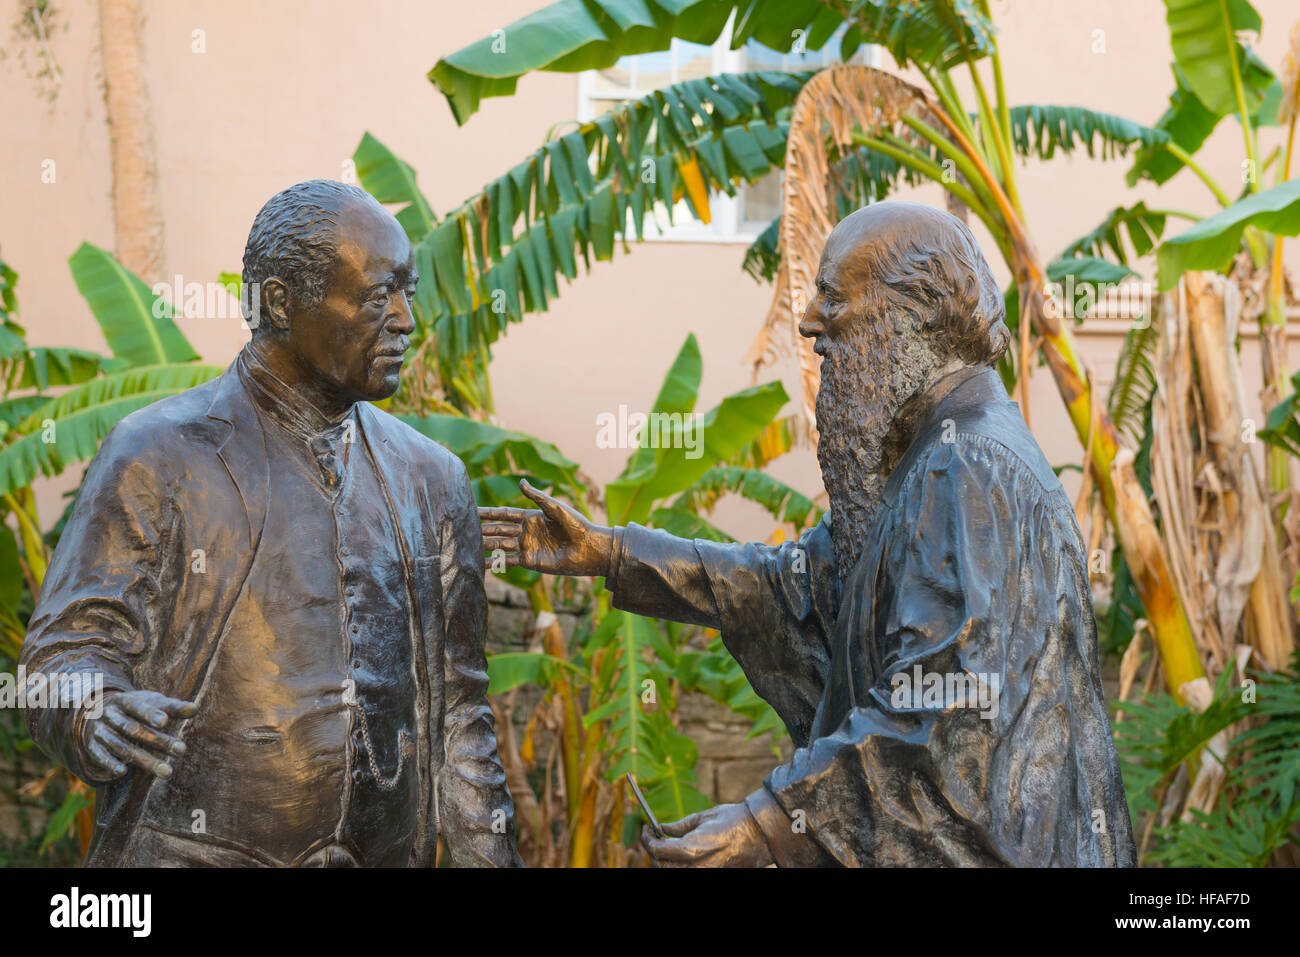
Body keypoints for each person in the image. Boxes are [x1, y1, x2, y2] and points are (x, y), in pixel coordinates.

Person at [481, 201, 1136, 867]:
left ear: (914, 309)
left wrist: (767, 823)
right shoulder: (933, 458)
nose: (810, 322)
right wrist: (612, 552)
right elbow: (794, 584)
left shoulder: (964, 463)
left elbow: (942, 716)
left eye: (832, 297)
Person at [22, 180, 521, 867]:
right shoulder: (159, 454)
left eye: (408, 291)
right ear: (283, 302)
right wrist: (93, 708)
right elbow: (62, 654)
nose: (406, 319)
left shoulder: (432, 478)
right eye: (379, 295)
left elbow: (461, 715)